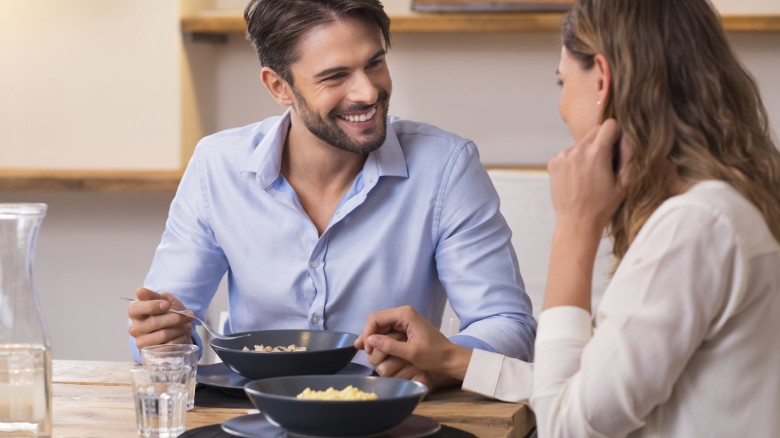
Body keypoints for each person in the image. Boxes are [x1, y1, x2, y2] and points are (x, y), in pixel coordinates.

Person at [356, 0, 780, 435]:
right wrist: (452, 359)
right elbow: (593, 388)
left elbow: (567, 425)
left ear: (602, 77)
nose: (562, 107)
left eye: (562, 81)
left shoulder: (692, 229)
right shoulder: (723, 209)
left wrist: (574, 228)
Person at [125, 0, 536, 387]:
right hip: (251, 417)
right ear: (278, 86)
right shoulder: (217, 166)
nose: (367, 92)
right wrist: (161, 338)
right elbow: (164, 327)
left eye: (374, 63)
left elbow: (507, 325)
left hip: (390, 418)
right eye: (336, 76)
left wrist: (444, 359)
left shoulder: (446, 166)